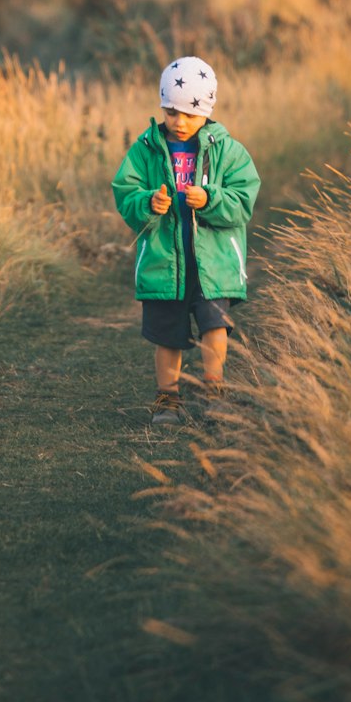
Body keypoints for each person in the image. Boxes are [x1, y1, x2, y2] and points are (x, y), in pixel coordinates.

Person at [111, 56, 261, 425]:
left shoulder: (228, 151)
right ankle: (168, 398)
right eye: (172, 112)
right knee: (168, 334)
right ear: (162, 105)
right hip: (164, 261)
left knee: (214, 325)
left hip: (213, 261)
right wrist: (148, 202)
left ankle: (214, 392)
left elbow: (243, 200)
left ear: (207, 111)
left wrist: (211, 199)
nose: (180, 122)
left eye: (190, 115)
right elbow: (125, 192)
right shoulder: (145, 149)